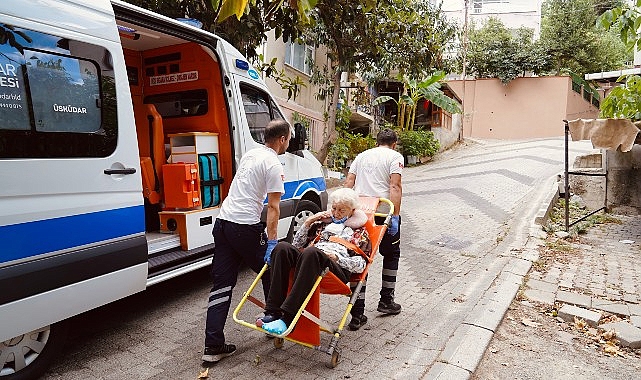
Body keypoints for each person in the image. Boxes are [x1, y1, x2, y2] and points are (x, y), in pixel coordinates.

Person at [202, 119, 291, 363]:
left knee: (222, 284)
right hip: (243, 227)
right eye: (288, 139)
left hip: (223, 224)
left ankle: (213, 345)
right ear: (282, 139)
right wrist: (272, 243)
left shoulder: (252, 155)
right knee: (270, 269)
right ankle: (273, 319)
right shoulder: (273, 163)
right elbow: (273, 207)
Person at [256, 188, 371, 335]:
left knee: (311, 252)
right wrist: (308, 222)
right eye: (334, 208)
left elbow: (361, 264)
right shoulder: (322, 225)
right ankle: (272, 311)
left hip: (336, 269)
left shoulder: (359, 232)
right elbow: (296, 245)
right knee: (282, 248)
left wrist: (338, 258)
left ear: (352, 211)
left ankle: (289, 317)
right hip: (311, 262)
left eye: (342, 211)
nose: (336, 214)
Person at [343, 128, 403, 331]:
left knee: (361, 257)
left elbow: (348, 183)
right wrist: (394, 216)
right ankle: (386, 300)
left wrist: (344, 212)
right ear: (394, 143)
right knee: (392, 253)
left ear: (377, 142)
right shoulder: (395, 157)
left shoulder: (361, 156)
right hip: (382, 214)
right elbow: (395, 187)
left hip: (360, 214)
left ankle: (357, 314)